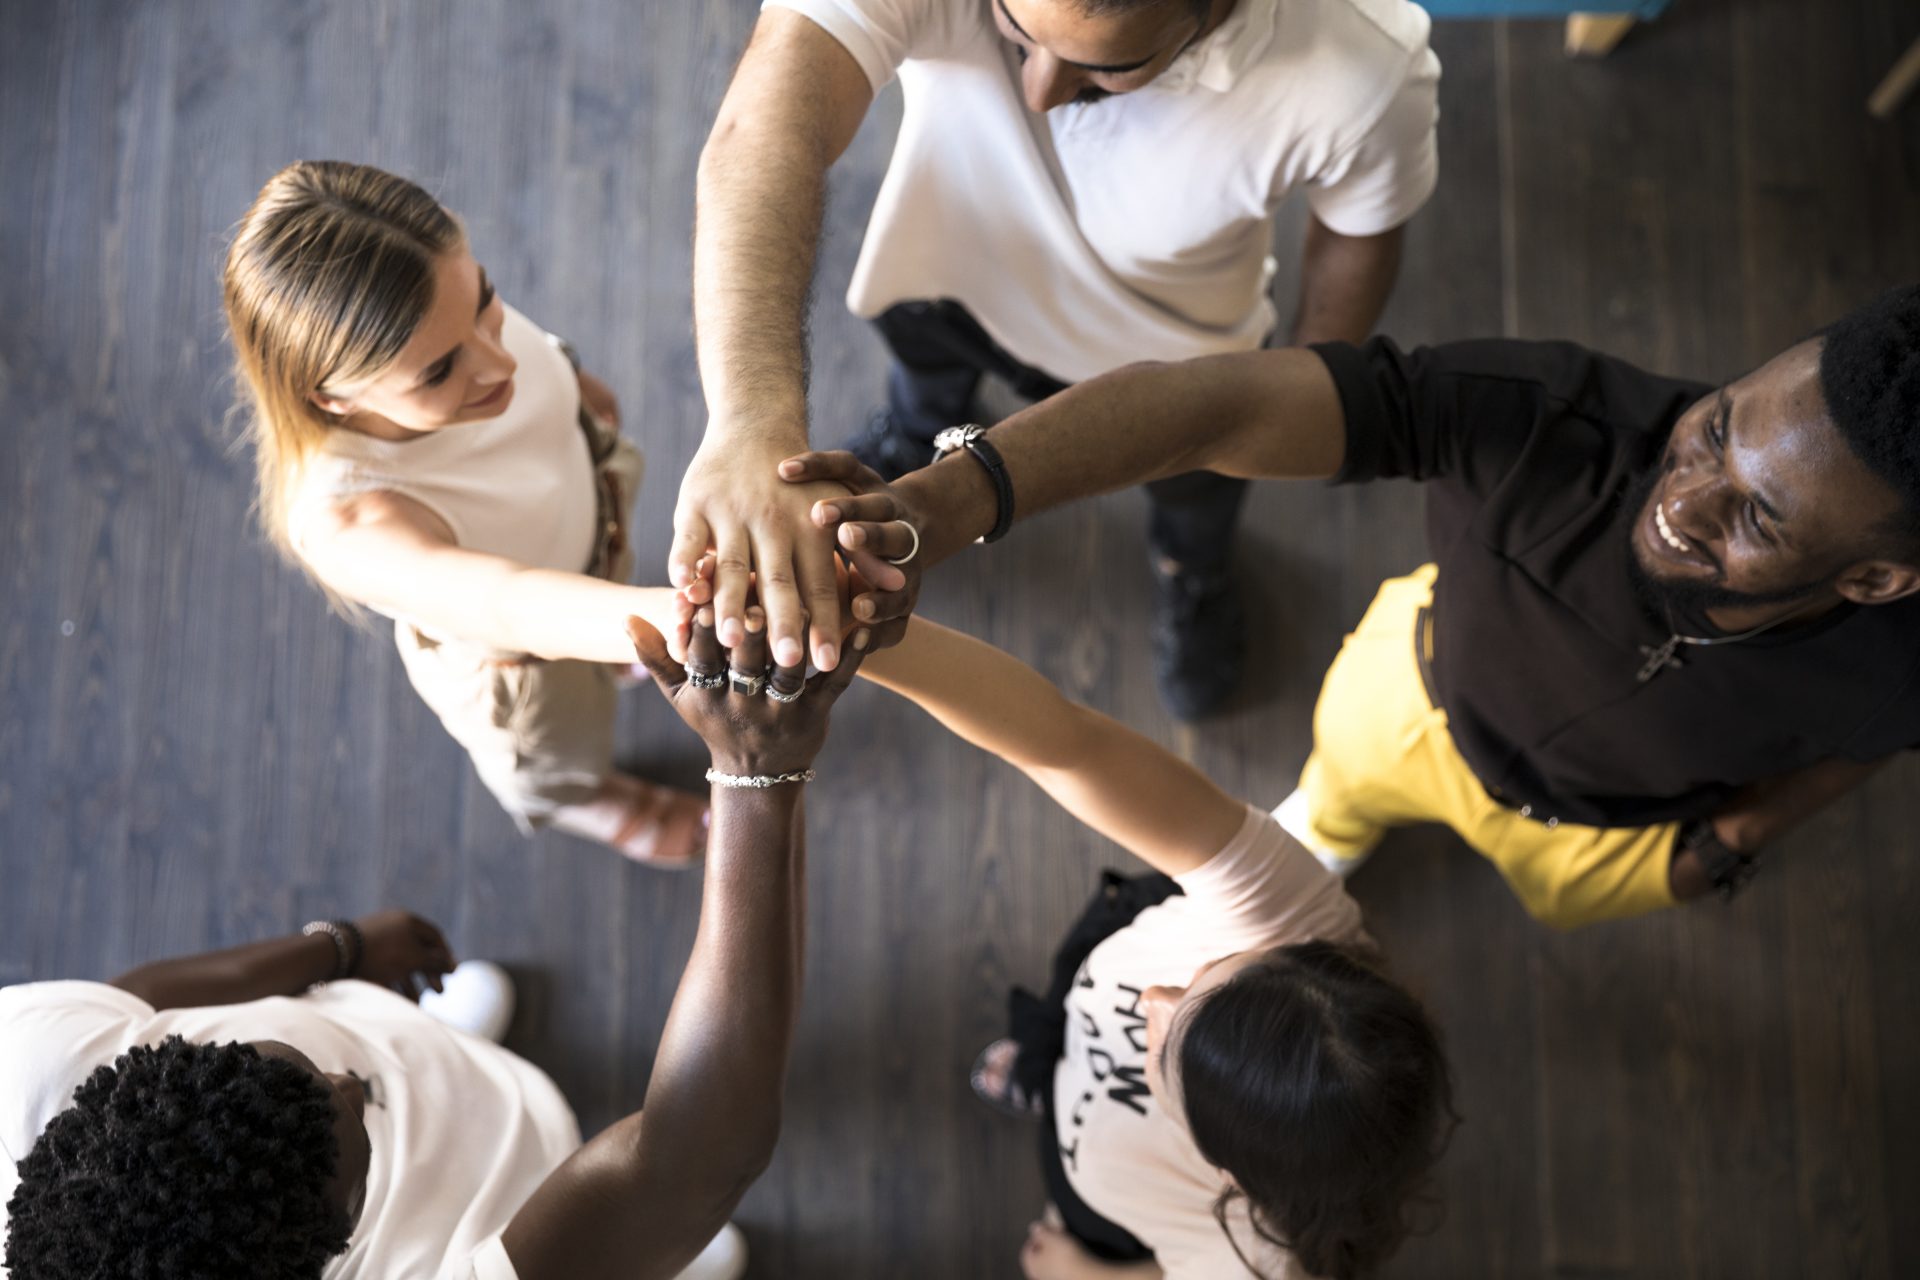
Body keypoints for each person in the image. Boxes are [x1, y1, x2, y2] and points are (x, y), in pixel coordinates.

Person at [791, 283, 1920, 929]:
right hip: (1409, 698)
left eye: (1760, 519)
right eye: (1717, 425)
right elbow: (1218, 407)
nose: (1683, 499)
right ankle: (1328, 833)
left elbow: (1861, 746)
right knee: (1326, 809)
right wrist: (955, 496)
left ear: (1873, 580)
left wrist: (1734, 842)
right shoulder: (1556, 422)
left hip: (1600, 840)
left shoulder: (1894, 666)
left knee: (1543, 893)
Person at [1, 610, 872, 1279]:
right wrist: (758, 774)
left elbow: (132, 1002)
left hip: (449, 1079)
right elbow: (692, 1158)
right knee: (653, 1232)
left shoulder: (24, 1061)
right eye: (350, 1137)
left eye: (281, 1063)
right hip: (494, 1214)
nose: (347, 1080)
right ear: (326, 1247)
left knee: (472, 1094)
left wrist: (334, 951)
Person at [674, 0, 1442, 718]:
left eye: (1107, 69)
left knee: (1194, 502)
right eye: (1012, 23)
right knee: (922, 391)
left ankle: (1191, 572)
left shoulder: (1365, 68)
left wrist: (1303, 392)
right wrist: (749, 416)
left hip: (1176, 362)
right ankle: (915, 435)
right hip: (944, 271)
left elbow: (1358, 236)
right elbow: (763, 129)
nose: (1040, 92)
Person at [854, 617, 1453, 1279]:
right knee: (1066, 1008)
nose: (1155, 999)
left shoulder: (1261, 1261)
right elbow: (1068, 746)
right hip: (1092, 998)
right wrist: (867, 633)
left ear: (1227, 1172)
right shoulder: (1293, 910)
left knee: (1068, 1146)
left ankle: (1043, 1076)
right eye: (1210, 975)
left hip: (1097, 1187)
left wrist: (1086, 1273)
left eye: (1167, 1052)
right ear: (1304, 960)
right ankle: (1043, 1058)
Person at [222, 159, 708, 866]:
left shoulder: (448, 321)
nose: (499, 362)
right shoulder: (350, 521)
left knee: (614, 591)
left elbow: (526, 358)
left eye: (488, 299)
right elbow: (511, 605)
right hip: (525, 661)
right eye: (440, 371)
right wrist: (684, 621)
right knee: (554, 752)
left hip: (585, 514)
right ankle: (588, 803)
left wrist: (576, 390)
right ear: (333, 397)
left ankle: (617, 654)